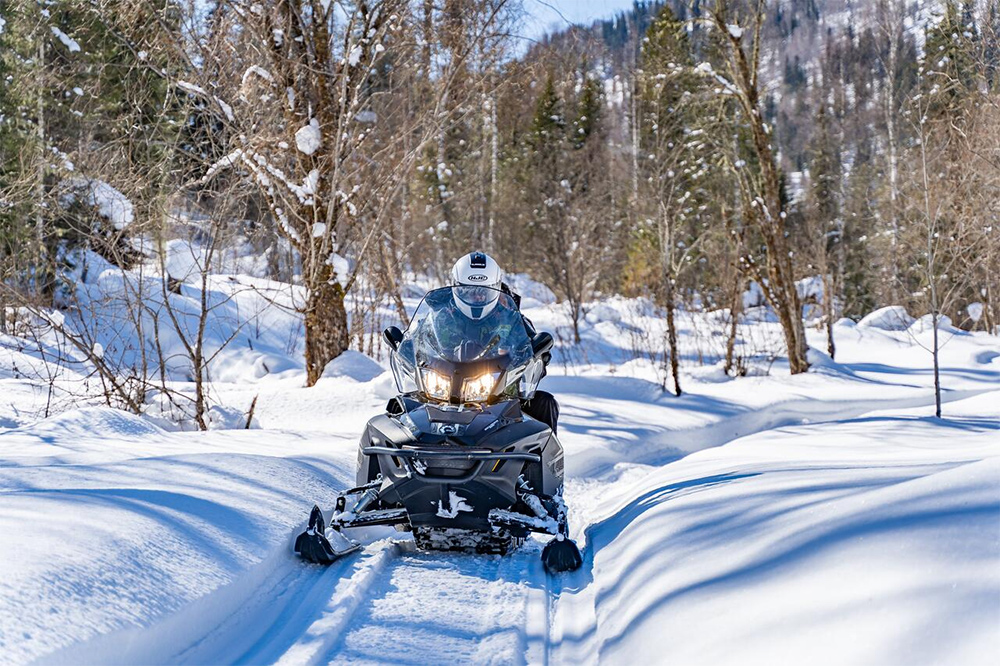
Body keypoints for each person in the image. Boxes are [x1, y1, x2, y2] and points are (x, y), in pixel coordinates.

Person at [450, 252, 560, 433]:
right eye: (469, 292)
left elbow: (534, 348)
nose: (477, 298)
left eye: (483, 292)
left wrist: (537, 357)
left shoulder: (511, 318)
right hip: (444, 393)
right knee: (399, 406)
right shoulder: (444, 317)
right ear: (457, 289)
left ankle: (540, 460)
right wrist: (410, 350)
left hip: (502, 396)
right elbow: (423, 342)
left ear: (496, 288)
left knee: (544, 403)